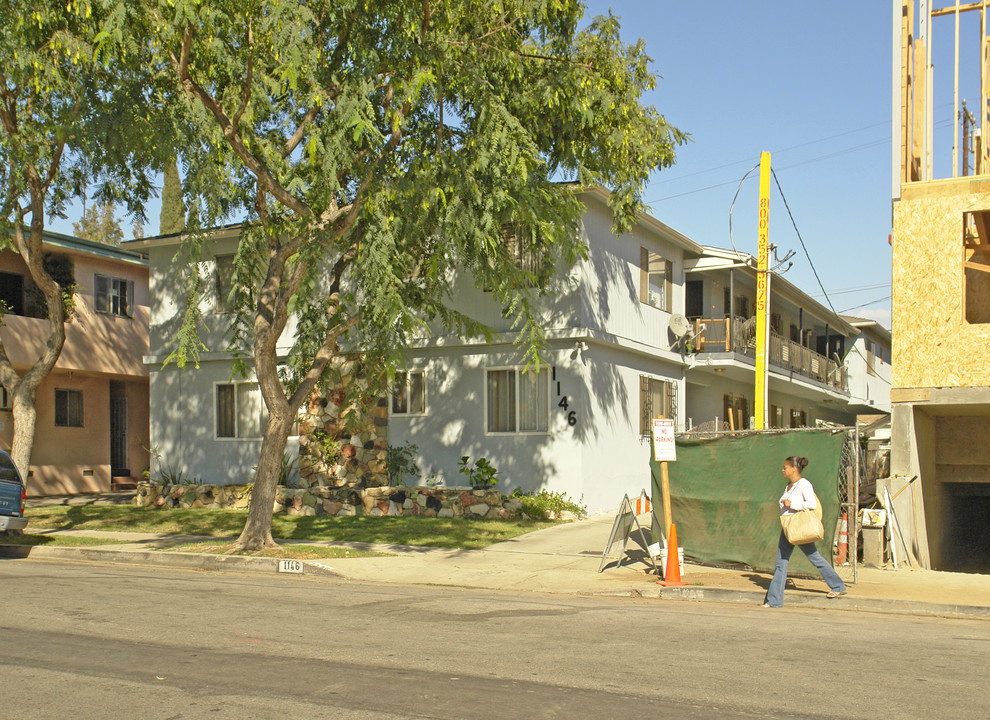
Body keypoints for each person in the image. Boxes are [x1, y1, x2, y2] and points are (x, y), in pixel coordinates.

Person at [762, 455, 846, 608]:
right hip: (788, 527)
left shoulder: (804, 484)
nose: (782, 470)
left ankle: (838, 586)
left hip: (799, 527)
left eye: (785, 467)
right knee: (781, 563)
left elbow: (812, 504)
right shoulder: (789, 485)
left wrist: (792, 503)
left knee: (814, 557)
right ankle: (774, 600)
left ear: (794, 469)